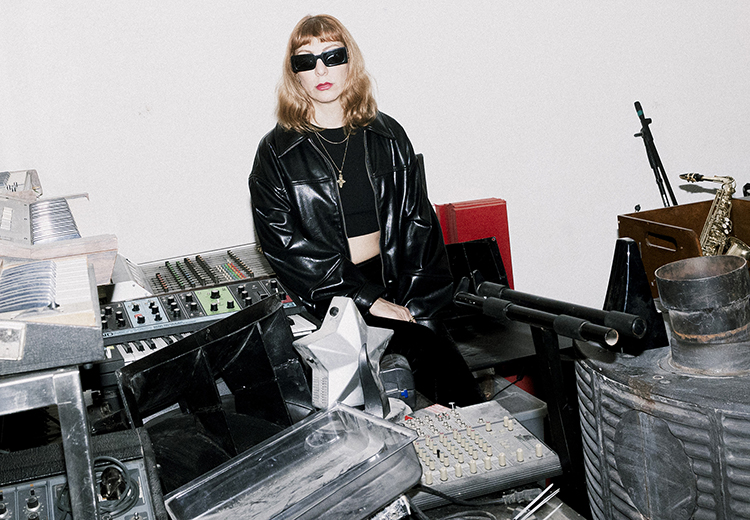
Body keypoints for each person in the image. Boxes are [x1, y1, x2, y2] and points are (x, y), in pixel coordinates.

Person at [249, 14, 483, 406]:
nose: (321, 70)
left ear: (350, 61)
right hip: (329, 294)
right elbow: (286, 248)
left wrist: (419, 310)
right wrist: (365, 298)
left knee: (456, 392)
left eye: (332, 56)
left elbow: (417, 225)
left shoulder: (387, 135)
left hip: (398, 283)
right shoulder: (277, 152)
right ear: (295, 74)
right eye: (306, 61)